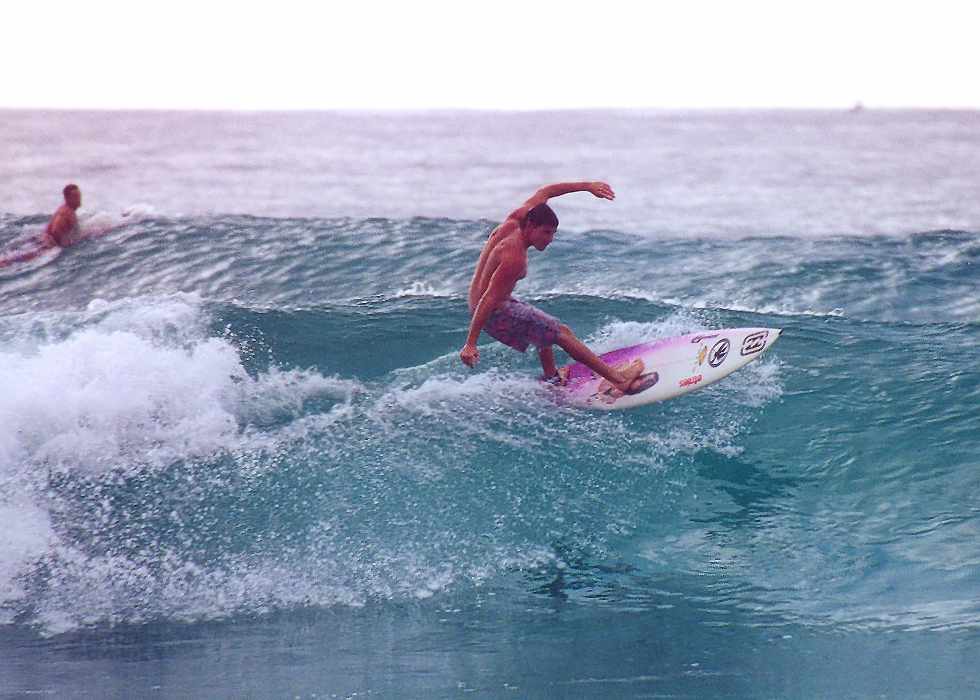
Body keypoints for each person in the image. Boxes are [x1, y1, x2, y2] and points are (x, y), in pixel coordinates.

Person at [459, 181, 657, 397]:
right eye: (546, 233)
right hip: (492, 310)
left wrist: (587, 186)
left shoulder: (518, 217)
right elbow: (489, 300)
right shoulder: (514, 258)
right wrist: (470, 344)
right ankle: (620, 380)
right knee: (560, 333)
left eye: (553, 233)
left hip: (481, 300)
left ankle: (552, 379)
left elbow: (546, 191)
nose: (550, 239)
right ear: (530, 226)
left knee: (545, 328)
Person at [42, 184, 82, 248]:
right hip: (48, 247)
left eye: (79, 196)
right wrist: (63, 244)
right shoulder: (67, 212)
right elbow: (55, 230)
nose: (79, 199)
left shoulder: (65, 209)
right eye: (75, 196)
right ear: (67, 198)